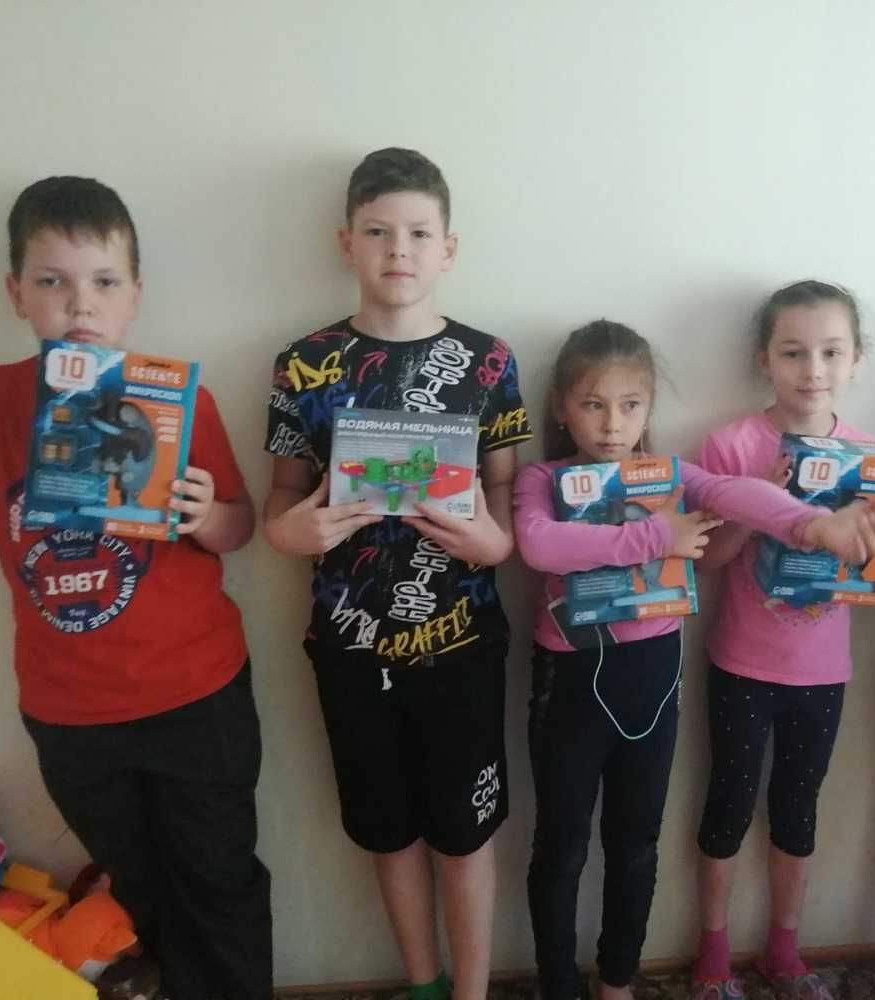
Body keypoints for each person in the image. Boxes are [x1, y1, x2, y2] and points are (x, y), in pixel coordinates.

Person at [0, 175, 271, 1000]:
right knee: (138, 885)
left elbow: (238, 528)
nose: (79, 304)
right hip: (71, 715)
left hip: (196, 695)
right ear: (16, 293)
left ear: (135, 295)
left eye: (103, 281)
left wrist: (205, 513)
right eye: (51, 281)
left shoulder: (176, 398)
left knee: (220, 880)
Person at [515, 318, 875, 1000]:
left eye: (630, 404)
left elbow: (733, 492)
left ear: (648, 408)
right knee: (562, 845)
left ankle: (617, 982)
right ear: (561, 408)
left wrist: (812, 524)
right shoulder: (542, 478)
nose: (611, 423)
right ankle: (558, 984)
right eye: (593, 404)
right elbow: (542, 547)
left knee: (636, 842)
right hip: (567, 680)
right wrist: (656, 538)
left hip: (652, 674)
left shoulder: (667, 477)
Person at [262, 148, 531, 1000]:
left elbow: (504, 496)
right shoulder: (303, 362)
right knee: (387, 833)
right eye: (377, 232)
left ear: (448, 248)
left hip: (463, 646)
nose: (398, 249)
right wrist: (290, 531)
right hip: (348, 650)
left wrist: (493, 545)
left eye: (418, 233)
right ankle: (421, 985)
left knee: (465, 835)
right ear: (346, 243)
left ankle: (471, 993)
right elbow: (280, 501)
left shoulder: (490, 361)